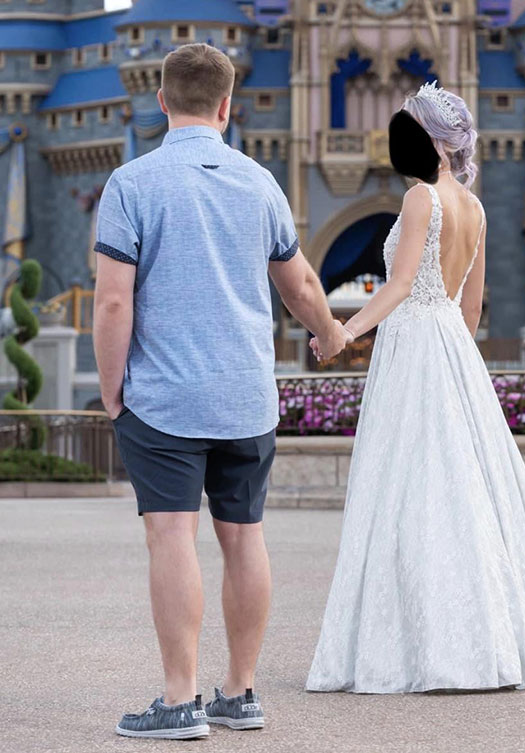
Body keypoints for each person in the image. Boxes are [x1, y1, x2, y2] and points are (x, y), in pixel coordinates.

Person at [306, 82, 525, 694]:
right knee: (464, 488)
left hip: (414, 345)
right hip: (451, 350)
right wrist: (457, 366)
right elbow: (471, 308)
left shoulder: (421, 199)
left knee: (408, 486)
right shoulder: (476, 207)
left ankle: (420, 646)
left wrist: (341, 331)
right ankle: (481, 639)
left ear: (435, 143)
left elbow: (398, 284)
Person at [93, 43, 348, 739]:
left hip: (165, 398)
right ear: (228, 106)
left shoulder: (132, 184)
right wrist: (328, 332)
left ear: (163, 101)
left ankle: (179, 701)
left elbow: (114, 303)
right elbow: (298, 284)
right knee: (245, 539)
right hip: (245, 397)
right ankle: (238, 693)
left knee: (172, 534)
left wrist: (113, 391)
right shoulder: (260, 183)